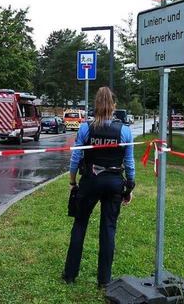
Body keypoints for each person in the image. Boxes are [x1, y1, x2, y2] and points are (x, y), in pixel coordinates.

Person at [62, 86, 136, 289]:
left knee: (80, 224)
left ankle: (70, 274)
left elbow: (76, 158)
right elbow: (129, 162)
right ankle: (104, 280)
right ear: (114, 106)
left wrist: (72, 183)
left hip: (90, 181)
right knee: (108, 229)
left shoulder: (86, 128)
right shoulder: (125, 131)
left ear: (95, 106)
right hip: (113, 183)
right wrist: (129, 187)